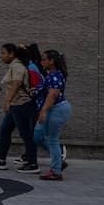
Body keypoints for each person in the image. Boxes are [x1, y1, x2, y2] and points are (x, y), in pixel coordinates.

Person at [0, 44, 37, 171]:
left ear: (12, 53)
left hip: (21, 105)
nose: (1, 56)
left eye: (3, 53)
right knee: (4, 130)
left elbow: (17, 83)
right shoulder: (13, 66)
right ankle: (1, 159)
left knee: (26, 134)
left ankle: (32, 163)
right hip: (15, 105)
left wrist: (7, 101)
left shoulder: (17, 65)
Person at [31, 49, 72, 181]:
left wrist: (43, 111)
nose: (42, 62)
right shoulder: (52, 74)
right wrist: (37, 90)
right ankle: (58, 161)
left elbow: (53, 94)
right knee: (37, 136)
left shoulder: (54, 75)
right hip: (52, 109)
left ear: (52, 61)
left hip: (56, 110)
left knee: (52, 139)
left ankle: (56, 171)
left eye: (44, 60)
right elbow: (48, 91)